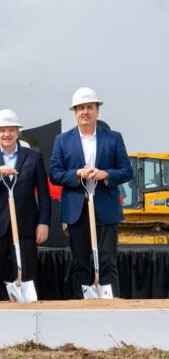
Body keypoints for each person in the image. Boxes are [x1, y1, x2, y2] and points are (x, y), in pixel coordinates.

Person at [49, 87, 132, 298]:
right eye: (80, 108)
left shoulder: (113, 138)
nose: (85, 112)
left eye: (89, 107)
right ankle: (81, 308)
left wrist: (105, 174)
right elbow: (55, 174)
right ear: (75, 113)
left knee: (108, 261)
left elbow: (126, 171)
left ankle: (111, 307)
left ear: (97, 111)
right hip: (77, 209)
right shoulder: (63, 140)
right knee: (80, 263)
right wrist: (77, 173)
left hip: (105, 207)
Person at [0, 109, 51, 301]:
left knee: (27, 274)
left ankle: (29, 316)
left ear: (18, 132)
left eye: (11, 130)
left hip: (26, 225)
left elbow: (43, 192)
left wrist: (44, 222)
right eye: (2, 130)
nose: (6, 134)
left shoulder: (33, 157)